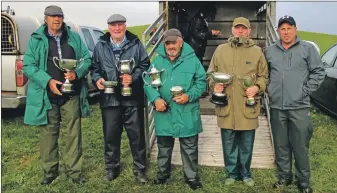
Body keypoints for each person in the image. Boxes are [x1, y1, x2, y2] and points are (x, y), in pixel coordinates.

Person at [22, 5, 91, 185]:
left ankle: (74, 172)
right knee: (48, 135)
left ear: (62, 18)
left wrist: (77, 73)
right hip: (47, 95)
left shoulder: (74, 37)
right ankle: (50, 172)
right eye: (52, 17)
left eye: (59, 16)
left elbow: (86, 59)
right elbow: (28, 66)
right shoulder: (37, 39)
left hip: (72, 94)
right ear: (45, 19)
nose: (56, 20)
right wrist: (48, 81)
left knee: (73, 134)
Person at [265, 15, 325, 193]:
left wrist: (304, 91)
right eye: (282, 28)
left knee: (300, 145)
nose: (286, 32)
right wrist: (270, 89)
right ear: (278, 31)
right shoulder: (270, 51)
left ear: (295, 29)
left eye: (289, 28)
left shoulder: (307, 49)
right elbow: (265, 74)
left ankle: (303, 180)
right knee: (281, 145)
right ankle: (284, 177)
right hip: (277, 107)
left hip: (299, 107)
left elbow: (318, 72)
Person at [206, 17, 269, 187]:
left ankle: (246, 173)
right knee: (228, 142)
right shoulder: (220, 50)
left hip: (247, 106)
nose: (240, 31)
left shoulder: (257, 52)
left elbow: (264, 76)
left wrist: (256, 87)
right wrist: (215, 85)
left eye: (243, 28)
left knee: (247, 142)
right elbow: (211, 73)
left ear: (249, 31)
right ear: (232, 30)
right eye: (237, 28)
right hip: (227, 105)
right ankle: (232, 173)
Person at [90, 14, 150, 183]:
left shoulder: (136, 44)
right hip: (109, 99)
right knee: (110, 136)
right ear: (108, 27)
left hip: (132, 97)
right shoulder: (100, 45)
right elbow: (94, 68)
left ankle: (140, 170)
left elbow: (145, 65)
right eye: (113, 25)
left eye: (120, 25)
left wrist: (134, 77)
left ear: (125, 26)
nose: (117, 28)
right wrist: (97, 79)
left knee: (137, 136)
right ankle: (111, 168)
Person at [144, 28, 207, 190]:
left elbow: (201, 82)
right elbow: (149, 83)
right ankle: (163, 174)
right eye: (168, 43)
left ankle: (191, 177)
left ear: (181, 42)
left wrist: (189, 96)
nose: (171, 46)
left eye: (174, 43)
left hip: (186, 111)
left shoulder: (192, 59)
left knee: (189, 146)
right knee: (164, 146)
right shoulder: (158, 61)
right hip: (164, 111)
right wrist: (156, 99)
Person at [185, 5, 221, 97]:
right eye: (212, 13)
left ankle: (199, 90)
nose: (213, 15)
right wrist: (210, 33)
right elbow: (196, 33)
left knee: (197, 70)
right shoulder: (198, 20)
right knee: (196, 70)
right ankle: (198, 91)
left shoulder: (200, 19)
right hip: (195, 49)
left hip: (197, 48)